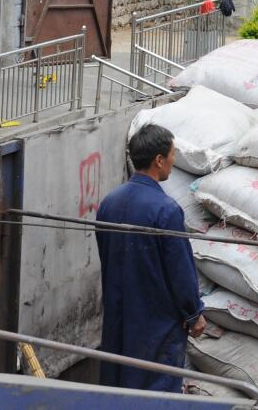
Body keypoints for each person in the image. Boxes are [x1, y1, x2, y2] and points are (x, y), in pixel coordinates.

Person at [95, 124, 205, 392]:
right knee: (154, 392)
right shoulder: (166, 211)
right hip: (157, 325)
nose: (173, 161)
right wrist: (193, 313)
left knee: (117, 388)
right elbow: (180, 270)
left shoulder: (109, 203)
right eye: (172, 154)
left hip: (118, 318)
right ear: (159, 160)